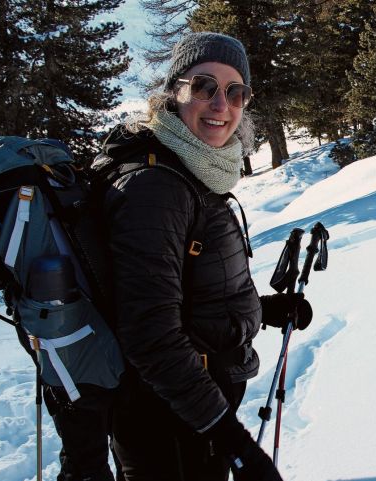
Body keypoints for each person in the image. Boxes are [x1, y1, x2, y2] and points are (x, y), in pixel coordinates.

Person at [96, 32, 311, 481]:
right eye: (204, 87)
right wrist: (234, 443)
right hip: (168, 423)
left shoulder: (191, 171)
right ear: (174, 93)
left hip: (195, 413)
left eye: (236, 92)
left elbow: (187, 287)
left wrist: (262, 309)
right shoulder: (156, 188)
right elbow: (150, 336)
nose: (221, 104)